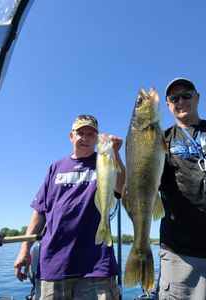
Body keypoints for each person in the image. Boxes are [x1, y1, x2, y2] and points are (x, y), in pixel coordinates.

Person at [14, 114, 125, 300]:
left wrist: (116, 154)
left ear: (97, 140)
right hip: (54, 264)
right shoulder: (55, 167)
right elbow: (40, 211)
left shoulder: (105, 161)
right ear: (71, 136)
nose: (85, 138)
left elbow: (121, 188)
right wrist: (24, 249)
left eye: (91, 134)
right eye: (80, 132)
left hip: (97, 264)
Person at [158, 78, 206, 300]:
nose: (181, 101)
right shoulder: (160, 140)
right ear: (167, 105)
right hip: (180, 253)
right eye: (174, 98)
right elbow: (142, 184)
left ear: (197, 97)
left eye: (186, 94)